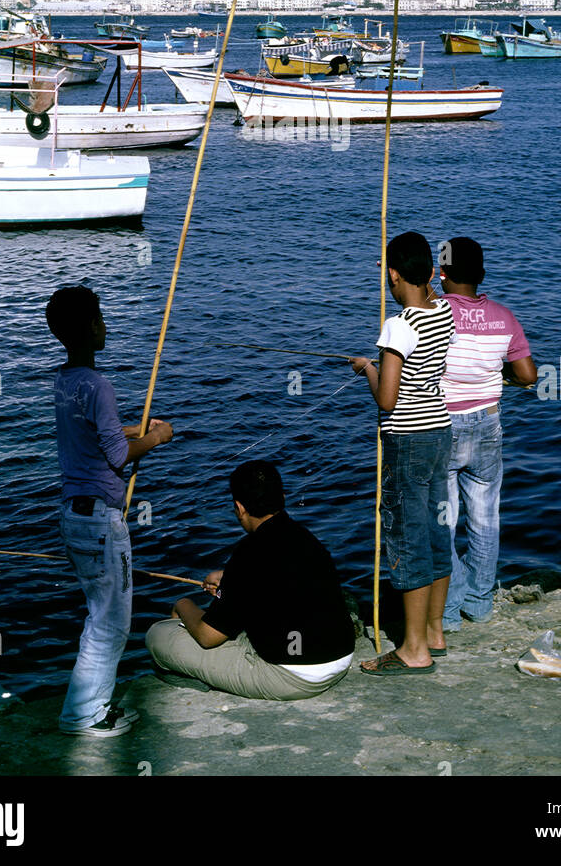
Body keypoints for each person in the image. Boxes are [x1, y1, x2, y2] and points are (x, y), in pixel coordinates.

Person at [46, 285, 173, 737]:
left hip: (74, 516)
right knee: (111, 624)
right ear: (91, 327)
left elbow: (98, 434)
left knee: (97, 616)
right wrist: (155, 438)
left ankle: (88, 707)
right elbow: (118, 456)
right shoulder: (99, 385)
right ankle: (84, 716)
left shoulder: (65, 381)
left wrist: (137, 427)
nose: (105, 324)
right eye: (100, 317)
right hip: (101, 521)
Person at [145, 461, 354, 699]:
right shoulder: (305, 537)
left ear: (239, 507)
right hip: (340, 658)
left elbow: (207, 637)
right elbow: (284, 578)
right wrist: (230, 580)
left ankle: (194, 678)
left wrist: (183, 604)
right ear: (282, 497)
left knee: (158, 635)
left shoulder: (248, 553)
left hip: (291, 676)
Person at [350, 231, 455, 674]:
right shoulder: (443, 309)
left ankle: (413, 649)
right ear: (431, 273)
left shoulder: (398, 326)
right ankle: (434, 630)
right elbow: (422, 289)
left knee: (407, 536)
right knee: (434, 529)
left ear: (393, 274)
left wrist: (369, 369)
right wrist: (399, 274)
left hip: (407, 437)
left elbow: (387, 399)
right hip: (439, 432)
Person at [435, 238, 537, 630]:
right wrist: (497, 373)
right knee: (484, 518)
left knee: (441, 521)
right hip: (488, 424)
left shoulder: (432, 313)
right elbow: (528, 377)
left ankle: (447, 610)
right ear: (481, 274)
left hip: (442, 426)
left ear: (441, 273)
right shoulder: (504, 316)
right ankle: (478, 603)